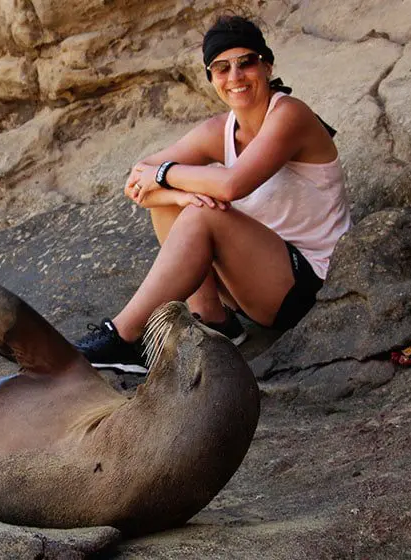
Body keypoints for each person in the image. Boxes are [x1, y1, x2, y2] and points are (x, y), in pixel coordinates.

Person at [75, 15, 351, 375]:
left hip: (311, 285)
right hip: (253, 282)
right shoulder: (219, 130)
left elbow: (232, 184)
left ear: (267, 66)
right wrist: (177, 196)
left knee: (198, 206)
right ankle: (213, 321)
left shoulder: (290, 115)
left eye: (246, 62)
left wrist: (165, 176)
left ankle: (124, 338)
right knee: (180, 202)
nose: (235, 76)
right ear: (210, 77)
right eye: (221, 67)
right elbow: (137, 181)